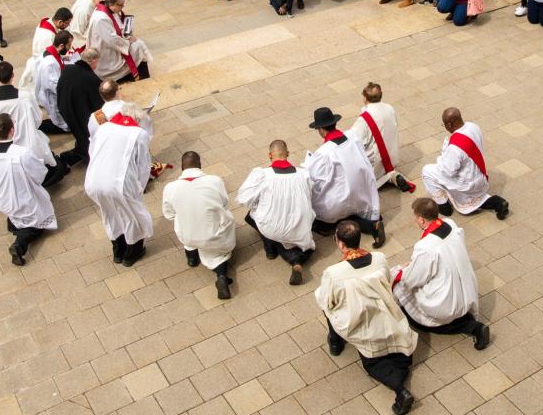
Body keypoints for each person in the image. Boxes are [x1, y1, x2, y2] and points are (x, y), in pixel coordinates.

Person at [315, 220, 417, 415]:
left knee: (325, 305)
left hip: (359, 321)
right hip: (385, 313)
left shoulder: (334, 273)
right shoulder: (379, 258)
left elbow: (327, 299)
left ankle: (336, 342)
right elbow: (386, 281)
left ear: (340, 244)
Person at [391, 198, 489, 350]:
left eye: (415, 217)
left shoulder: (425, 246)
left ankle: (471, 327)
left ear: (422, 220)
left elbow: (411, 279)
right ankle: (465, 319)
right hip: (466, 290)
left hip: (445, 302)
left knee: (399, 283)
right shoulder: (450, 224)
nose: (414, 220)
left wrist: (405, 269)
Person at [0, 113, 58, 266]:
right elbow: (39, 174)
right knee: (37, 224)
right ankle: (19, 245)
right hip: (22, 197)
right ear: (12, 130)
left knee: (19, 216)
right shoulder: (21, 153)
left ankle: (14, 223)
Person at [303, 106, 386, 247]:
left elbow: (315, 180)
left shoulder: (324, 152)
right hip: (362, 193)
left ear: (321, 130)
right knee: (351, 211)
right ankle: (372, 225)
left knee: (316, 215)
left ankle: (332, 226)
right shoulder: (352, 137)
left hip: (341, 200)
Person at [237, 139, 317, 285]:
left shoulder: (262, 175)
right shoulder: (303, 174)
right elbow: (311, 195)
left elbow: (243, 199)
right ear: (287, 154)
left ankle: (270, 247)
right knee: (297, 240)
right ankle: (296, 261)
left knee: (252, 216)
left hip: (273, 227)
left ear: (269, 155)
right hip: (301, 224)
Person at [84, 102, 152, 267]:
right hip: (119, 183)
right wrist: (139, 188)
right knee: (131, 215)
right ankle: (132, 252)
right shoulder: (139, 134)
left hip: (94, 179)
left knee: (110, 213)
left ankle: (118, 249)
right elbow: (143, 165)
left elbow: (92, 150)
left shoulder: (105, 128)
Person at [0, 61, 68, 188]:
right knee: (55, 167)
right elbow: (37, 119)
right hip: (27, 142)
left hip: (1, 142)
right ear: (13, 76)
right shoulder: (25, 97)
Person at [162, 151, 236, 300]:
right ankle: (221, 276)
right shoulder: (215, 181)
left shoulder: (170, 188)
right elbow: (224, 203)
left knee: (184, 220)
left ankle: (192, 257)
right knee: (218, 253)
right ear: (200, 165)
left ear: (182, 167)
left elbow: (169, 214)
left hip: (188, 236)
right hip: (214, 236)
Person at [422, 108, 509, 220]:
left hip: (468, 185)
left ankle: (443, 206)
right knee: (474, 199)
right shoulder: (473, 126)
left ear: (449, 124)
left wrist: (442, 156)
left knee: (427, 170)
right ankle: (497, 202)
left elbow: (447, 171)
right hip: (481, 178)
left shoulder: (454, 147)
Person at [348, 82, 415, 192]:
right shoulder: (390, 108)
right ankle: (392, 176)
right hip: (392, 157)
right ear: (381, 94)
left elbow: (354, 140)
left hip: (376, 163)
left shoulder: (364, 118)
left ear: (364, 98)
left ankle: (380, 180)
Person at [87, 0, 152, 81]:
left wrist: (126, 31)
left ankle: (142, 75)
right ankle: (140, 77)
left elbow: (117, 26)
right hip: (105, 53)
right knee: (138, 47)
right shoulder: (101, 19)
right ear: (111, 4)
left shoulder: (108, 9)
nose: (122, 8)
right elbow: (112, 40)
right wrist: (128, 41)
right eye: (120, 5)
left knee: (139, 44)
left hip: (113, 44)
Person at [56, 48, 104, 164]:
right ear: (92, 61)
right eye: (97, 61)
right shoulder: (91, 78)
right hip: (80, 113)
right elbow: (97, 105)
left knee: (79, 135)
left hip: (64, 107)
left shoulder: (67, 69)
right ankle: (82, 156)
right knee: (87, 138)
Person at [19, 7, 73, 94]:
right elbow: (50, 54)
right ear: (60, 22)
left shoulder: (48, 22)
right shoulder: (47, 36)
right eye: (67, 23)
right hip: (42, 62)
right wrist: (62, 57)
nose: (68, 26)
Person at [35, 30, 76, 134]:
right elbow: (54, 86)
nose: (70, 47)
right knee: (60, 120)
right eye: (69, 45)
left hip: (51, 92)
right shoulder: (50, 64)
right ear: (61, 46)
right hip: (52, 97)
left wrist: (64, 58)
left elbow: (57, 58)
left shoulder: (52, 52)